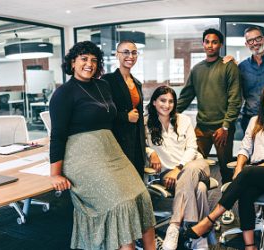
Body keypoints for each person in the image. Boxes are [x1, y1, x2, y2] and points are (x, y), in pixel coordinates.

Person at [49, 41, 156, 250]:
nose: (89, 64)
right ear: (72, 62)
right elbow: (57, 136)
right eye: (84, 59)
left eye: (93, 60)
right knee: (121, 203)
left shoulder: (103, 86)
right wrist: (55, 173)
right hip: (82, 156)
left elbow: (115, 116)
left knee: (142, 196)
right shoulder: (63, 93)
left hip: (111, 152)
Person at [184, 83, 264, 250]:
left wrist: (246, 171)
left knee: (248, 172)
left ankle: (209, 221)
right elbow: (245, 148)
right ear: (263, 100)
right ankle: (250, 245)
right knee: (246, 192)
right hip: (255, 171)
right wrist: (238, 168)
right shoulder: (255, 121)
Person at [146, 86, 211, 250]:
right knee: (201, 189)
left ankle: (174, 226)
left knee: (189, 173)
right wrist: (151, 152)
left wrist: (179, 168)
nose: (167, 105)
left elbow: (192, 148)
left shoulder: (184, 120)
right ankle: (198, 238)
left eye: (170, 101)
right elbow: (138, 147)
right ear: (154, 102)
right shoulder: (145, 123)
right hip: (168, 174)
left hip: (195, 165)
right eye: (162, 100)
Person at [177, 28, 242, 185]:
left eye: (214, 42)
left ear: (220, 44)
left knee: (225, 170)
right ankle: (198, 198)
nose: (210, 45)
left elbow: (235, 98)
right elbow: (185, 98)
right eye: (207, 42)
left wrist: (226, 126)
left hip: (222, 128)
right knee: (193, 165)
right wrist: (167, 113)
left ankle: (226, 206)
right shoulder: (197, 69)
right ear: (203, 44)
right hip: (201, 127)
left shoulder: (228, 66)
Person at [102, 40, 146, 178]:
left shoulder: (137, 83)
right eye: (126, 52)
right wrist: (125, 116)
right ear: (117, 55)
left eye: (134, 52)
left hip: (136, 141)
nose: (130, 56)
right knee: (123, 181)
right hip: (118, 140)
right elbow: (103, 112)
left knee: (137, 178)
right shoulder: (107, 80)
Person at [239, 26, 264, 133]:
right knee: (249, 149)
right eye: (250, 41)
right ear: (246, 44)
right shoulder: (242, 67)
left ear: (263, 39)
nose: (255, 43)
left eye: (258, 38)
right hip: (249, 119)